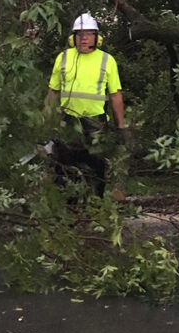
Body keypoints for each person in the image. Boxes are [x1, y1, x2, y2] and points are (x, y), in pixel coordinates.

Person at [44, 13, 126, 197]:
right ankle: (69, 212)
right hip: (68, 121)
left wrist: (120, 126)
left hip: (95, 124)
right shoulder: (63, 58)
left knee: (96, 168)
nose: (84, 38)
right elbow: (53, 93)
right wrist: (47, 122)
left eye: (89, 34)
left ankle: (96, 209)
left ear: (97, 38)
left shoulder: (107, 60)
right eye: (80, 34)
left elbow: (115, 95)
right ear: (73, 38)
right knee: (65, 169)